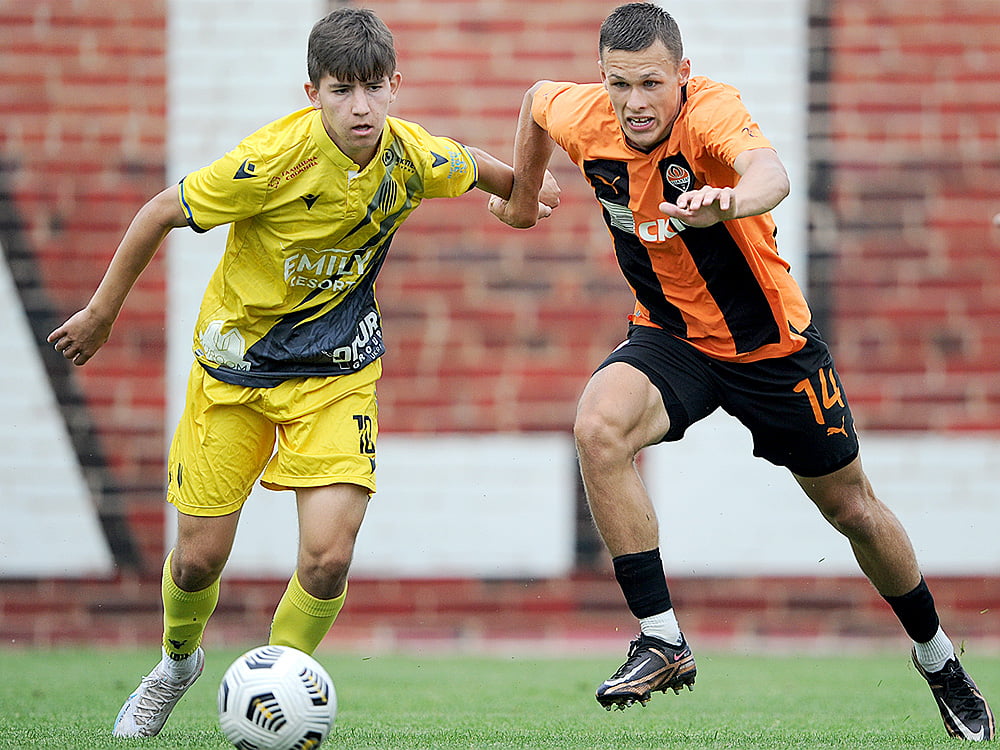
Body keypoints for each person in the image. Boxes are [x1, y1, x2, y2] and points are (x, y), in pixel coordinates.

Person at [48, 7, 557, 739]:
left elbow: (479, 168)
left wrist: (526, 193)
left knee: (327, 559)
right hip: (236, 373)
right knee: (197, 562)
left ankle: (276, 686)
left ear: (396, 85)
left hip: (338, 375)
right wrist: (101, 314)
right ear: (313, 92)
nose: (361, 107)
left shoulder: (411, 156)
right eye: (342, 90)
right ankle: (176, 664)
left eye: (374, 88)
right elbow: (160, 211)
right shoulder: (269, 161)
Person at [490, 2, 994, 741]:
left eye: (652, 83)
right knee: (598, 427)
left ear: (682, 75)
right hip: (670, 336)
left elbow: (771, 173)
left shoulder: (711, 112)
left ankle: (937, 656)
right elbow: (538, 100)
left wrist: (729, 201)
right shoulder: (587, 115)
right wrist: (523, 196)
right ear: (602, 79)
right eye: (620, 84)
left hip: (770, 350)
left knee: (852, 510)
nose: (635, 103)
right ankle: (662, 638)